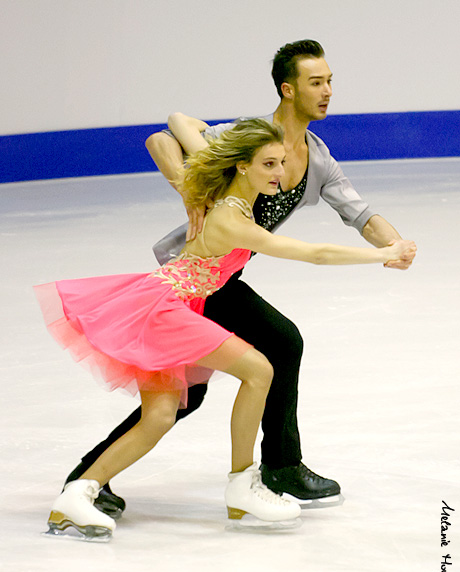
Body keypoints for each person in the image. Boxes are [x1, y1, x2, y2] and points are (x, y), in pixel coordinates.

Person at [63, 40, 416, 519]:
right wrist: (192, 191)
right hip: (188, 282)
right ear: (288, 90)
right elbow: (165, 136)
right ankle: (91, 479)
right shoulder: (251, 141)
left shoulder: (318, 158)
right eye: (317, 82)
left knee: (258, 357)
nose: (329, 91)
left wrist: (395, 247)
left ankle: (275, 468)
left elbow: (360, 213)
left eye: (330, 81)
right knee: (215, 382)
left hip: (220, 278)